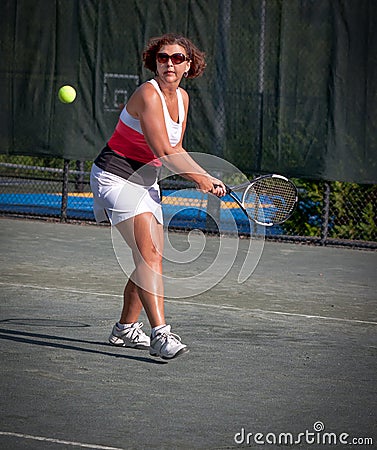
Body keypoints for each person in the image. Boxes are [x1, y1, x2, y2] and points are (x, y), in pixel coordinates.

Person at [90, 33, 226, 359]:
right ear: (155, 62)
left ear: (189, 66)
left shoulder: (183, 100)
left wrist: (206, 177)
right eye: (163, 57)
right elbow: (164, 151)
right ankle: (160, 335)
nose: (169, 63)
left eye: (177, 58)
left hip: (147, 183)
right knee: (149, 255)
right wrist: (200, 179)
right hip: (116, 177)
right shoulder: (147, 95)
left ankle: (124, 328)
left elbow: (177, 148)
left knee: (149, 259)